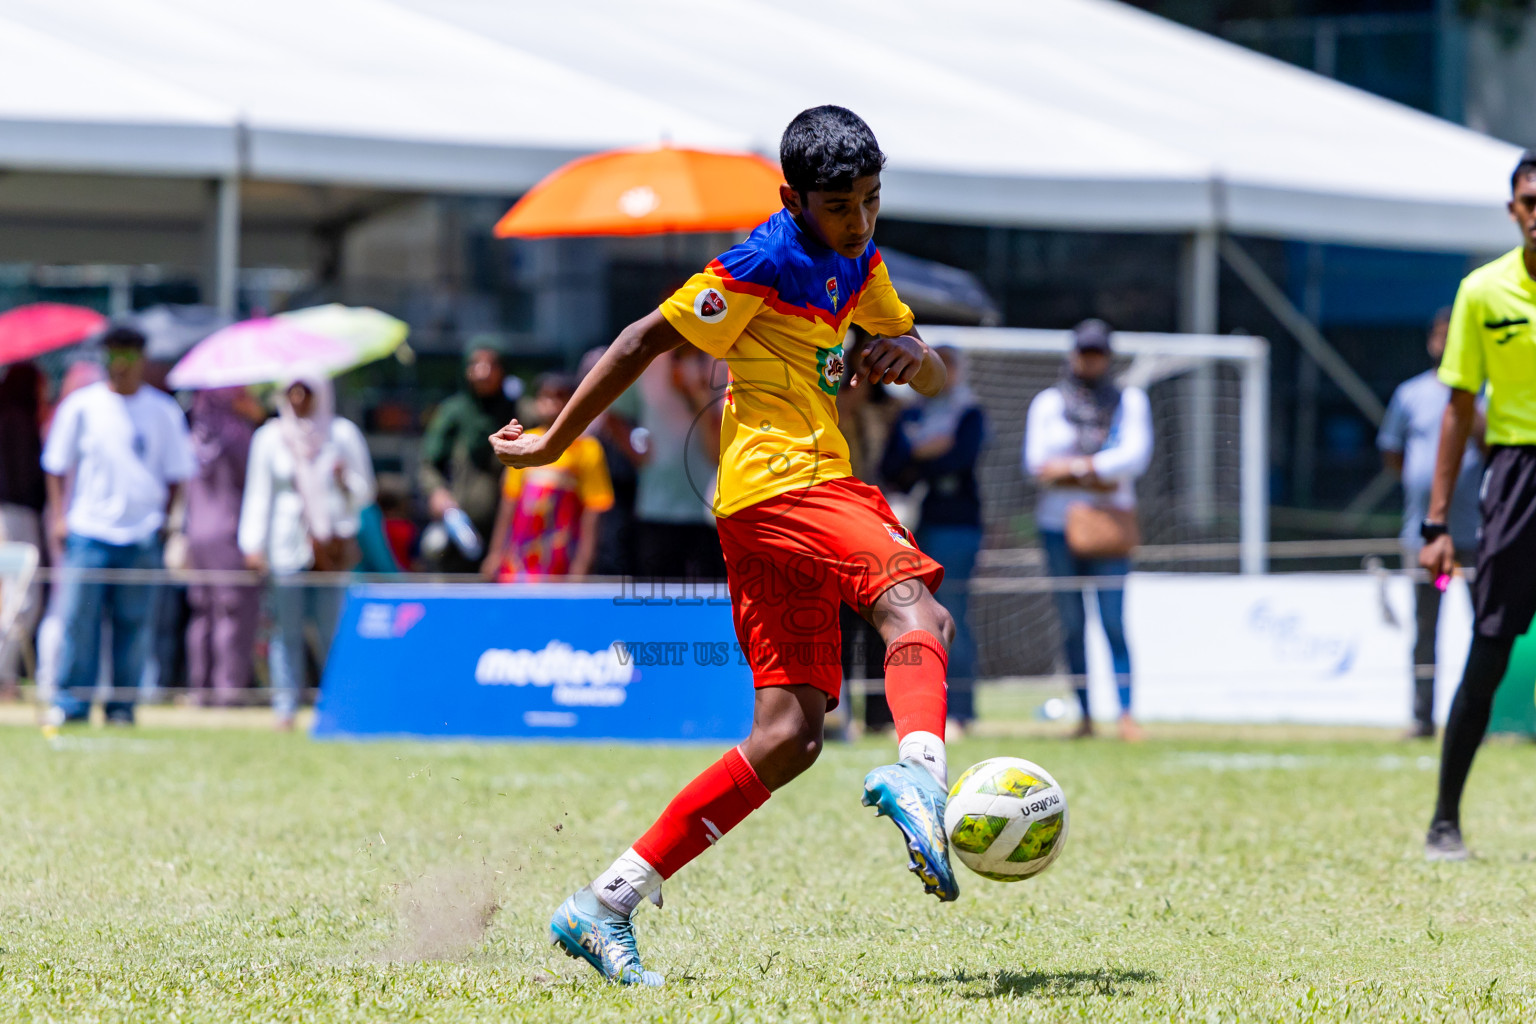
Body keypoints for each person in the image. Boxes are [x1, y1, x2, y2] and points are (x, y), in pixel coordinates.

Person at [493, 106, 957, 986]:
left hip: (767, 507)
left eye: (870, 200)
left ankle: (605, 902)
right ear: (792, 198)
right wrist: (555, 440)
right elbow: (639, 340)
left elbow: (929, 364)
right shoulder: (761, 260)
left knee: (788, 736)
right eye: (837, 205)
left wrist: (906, 355)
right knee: (916, 606)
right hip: (791, 485)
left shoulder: (858, 259)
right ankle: (923, 773)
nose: (857, 220)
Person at [1421, 152, 1536, 861]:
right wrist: (1437, 523)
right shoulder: (1482, 292)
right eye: (1530, 200)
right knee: (1489, 650)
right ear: (1513, 210)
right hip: (1519, 473)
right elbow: (1457, 412)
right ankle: (1444, 821)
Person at [40, 326, 194, 727]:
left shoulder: (163, 410)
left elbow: (178, 473)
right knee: (78, 620)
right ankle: (71, 703)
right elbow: (56, 464)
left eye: (128, 355)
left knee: (134, 626)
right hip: (89, 532)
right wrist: (60, 516)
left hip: (142, 532)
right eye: (114, 355)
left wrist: (166, 521)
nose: (121, 364)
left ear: (142, 359)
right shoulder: (82, 405)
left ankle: (123, 707)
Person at [1024, 319, 1152, 741]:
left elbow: (1134, 458)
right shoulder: (1048, 402)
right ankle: (1084, 714)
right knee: (1071, 623)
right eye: (1084, 351)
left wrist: (1074, 469)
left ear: (1109, 357)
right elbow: (1036, 465)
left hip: (1109, 526)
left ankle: (1126, 714)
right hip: (1056, 527)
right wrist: (1099, 472)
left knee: (1114, 621)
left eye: (1098, 352)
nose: (1090, 359)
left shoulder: (1129, 401)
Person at [238, 371, 374, 729]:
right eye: (292, 391)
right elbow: (258, 494)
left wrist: (345, 480)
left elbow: (366, 494)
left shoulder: (341, 434)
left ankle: (337, 703)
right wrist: (253, 544)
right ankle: (286, 706)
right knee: (286, 631)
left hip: (330, 546)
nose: (298, 398)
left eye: (306, 391)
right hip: (286, 546)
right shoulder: (269, 437)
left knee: (332, 629)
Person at [1378, 310, 1485, 739]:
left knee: (1487, 628)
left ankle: (1487, 715)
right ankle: (1423, 716)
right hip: (1429, 541)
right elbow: (1394, 454)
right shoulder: (1411, 394)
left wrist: (1471, 405)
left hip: (1475, 538)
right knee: (1428, 626)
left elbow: (1495, 448)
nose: (1445, 344)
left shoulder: (1486, 394)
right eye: (1441, 335)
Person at [881, 345, 986, 728]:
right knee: (907, 615)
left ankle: (958, 710)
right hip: (907, 529)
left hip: (954, 526)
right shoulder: (908, 412)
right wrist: (929, 452)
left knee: (951, 614)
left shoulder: (968, 411)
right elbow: (890, 465)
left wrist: (918, 456)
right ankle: (914, 709)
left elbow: (960, 459)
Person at [483, 373, 612, 580]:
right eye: (545, 397)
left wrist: (582, 564)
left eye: (559, 397)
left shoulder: (588, 448)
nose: (551, 404)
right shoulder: (524, 441)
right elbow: (509, 502)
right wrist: (496, 553)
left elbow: (594, 510)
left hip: (562, 559)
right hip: (519, 559)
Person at [184, 387, 265, 707]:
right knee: (234, 613)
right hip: (230, 533)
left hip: (196, 535)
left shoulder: (193, 435)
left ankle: (200, 689)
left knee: (202, 615)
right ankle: (228, 690)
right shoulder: (236, 434)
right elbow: (254, 483)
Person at [418, 338, 517, 572]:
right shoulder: (453, 412)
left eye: (491, 365)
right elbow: (429, 463)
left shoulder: (519, 412)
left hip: (510, 533)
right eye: (476, 365)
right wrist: (437, 493)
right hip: (460, 532)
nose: (483, 373)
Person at [633, 343, 726, 581]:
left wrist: (699, 398)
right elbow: (613, 412)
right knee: (655, 599)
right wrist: (636, 453)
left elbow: (714, 452)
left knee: (710, 597)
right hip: (657, 506)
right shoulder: (648, 358)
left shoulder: (723, 362)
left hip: (710, 512)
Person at [0, 361, 47, 696]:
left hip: (10, 512)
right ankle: (5, 676)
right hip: (14, 514)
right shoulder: (15, 420)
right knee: (21, 598)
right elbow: (27, 477)